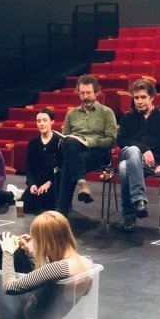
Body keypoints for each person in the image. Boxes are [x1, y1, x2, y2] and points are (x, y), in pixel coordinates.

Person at [117, 79, 160, 231]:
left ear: (152, 97)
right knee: (133, 150)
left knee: (124, 168)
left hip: (154, 164)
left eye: (143, 97)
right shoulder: (127, 118)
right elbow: (121, 140)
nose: (139, 101)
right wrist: (144, 149)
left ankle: (129, 215)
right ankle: (139, 199)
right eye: (136, 98)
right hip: (130, 154)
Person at [55, 74, 117, 216]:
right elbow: (65, 138)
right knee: (70, 145)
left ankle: (61, 210)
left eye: (88, 93)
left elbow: (112, 140)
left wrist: (89, 143)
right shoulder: (71, 113)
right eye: (82, 93)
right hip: (75, 151)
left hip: (98, 153)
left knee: (68, 164)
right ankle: (82, 183)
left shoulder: (107, 112)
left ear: (96, 93)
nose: (85, 97)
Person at [18, 108, 60, 214]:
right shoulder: (33, 143)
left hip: (52, 183)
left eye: (45, 120)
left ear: (52, 121)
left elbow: (61, 167)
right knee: (25, 207)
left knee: (43, 207)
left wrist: (49, 183)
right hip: (37, 183)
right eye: (38, 121)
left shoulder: (59, 142)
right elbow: (29, 168)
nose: (41, 124)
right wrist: (32, 184)